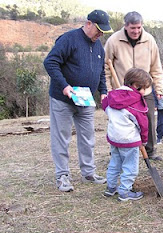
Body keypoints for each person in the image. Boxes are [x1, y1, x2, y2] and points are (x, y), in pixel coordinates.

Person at [43, 10, 112, 192]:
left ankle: (89, 172)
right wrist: (65, 86)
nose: (100, 34)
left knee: (88, 137)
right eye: (98, 30)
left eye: (103, 32)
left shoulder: (99, 47)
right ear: (88, 24)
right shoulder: (68, 39)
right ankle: (62, 176)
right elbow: (50, 62)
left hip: (86, 100)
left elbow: (100, 72)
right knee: (61, 138)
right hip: (62, 99)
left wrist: (103, 91)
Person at [104, 11, 163, 161]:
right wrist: (108, 90)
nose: (136, 31)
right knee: (121, 121)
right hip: (122, 91)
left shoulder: (149, 40)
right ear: (125, 26)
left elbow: (156, 67)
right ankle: (118, 151)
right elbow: (105, 68)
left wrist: (159, 88)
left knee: (148, 118)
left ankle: (149, 151)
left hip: (145, 90)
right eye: (133, 28)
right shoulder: (113, 41)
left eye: (138, 27)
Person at [102, 68, 151, 201]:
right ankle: (124, 191)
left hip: (114, 138)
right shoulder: (136, 101)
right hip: (129, 140)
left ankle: (110, 188)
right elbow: (143, 124)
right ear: (136, 85)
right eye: (143, 89)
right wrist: (144, 140)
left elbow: (104, 106)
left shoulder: (112, 96)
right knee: (130, 166)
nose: (144, 93)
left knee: (115, 163)